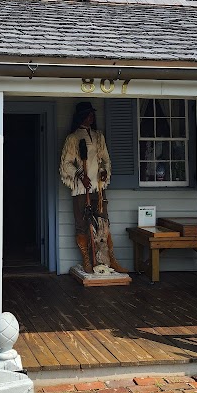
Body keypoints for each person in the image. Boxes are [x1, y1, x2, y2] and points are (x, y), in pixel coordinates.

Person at [59, 101, 127, 273]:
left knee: (103, 223)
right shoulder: (73, 138)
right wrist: (80, 175)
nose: (92, 117)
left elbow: (106, 160)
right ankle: (87, 260)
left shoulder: (98, 136)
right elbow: (66, 164)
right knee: (82, 224)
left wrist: (104, 171)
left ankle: (109, 259)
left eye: (92, 114)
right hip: (82, 190)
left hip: (98, 188)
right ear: (81, 116)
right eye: (88, 114)